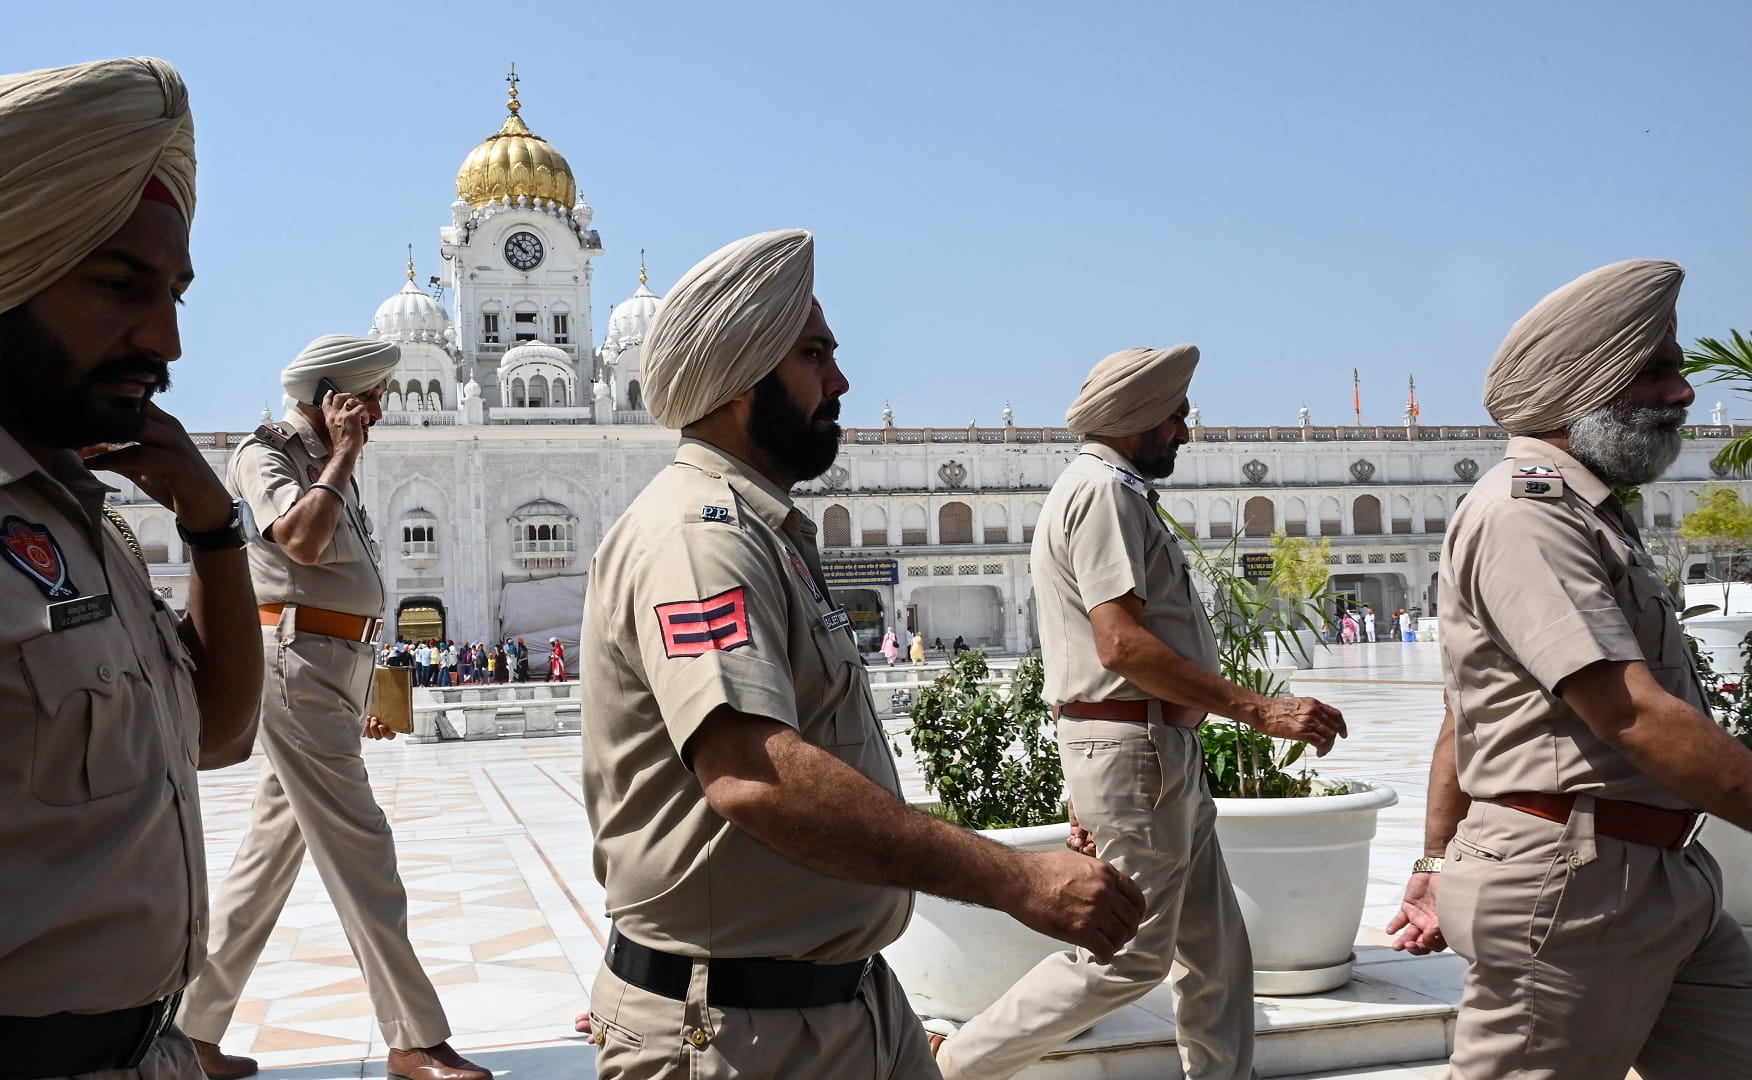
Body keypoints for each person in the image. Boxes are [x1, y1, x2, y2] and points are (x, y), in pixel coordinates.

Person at [580, 229, 1144, 1080]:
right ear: (740, 379)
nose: (839, 381)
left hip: (843, 1007)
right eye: (814, 356)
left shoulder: (761, 532)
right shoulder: (698, 539)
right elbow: (755, 776)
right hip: (738, 1032)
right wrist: (1019, 881)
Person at [0, 57, 265, 1080]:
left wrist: (211, 525)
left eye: (173, 294)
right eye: (119, 287)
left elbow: (221, 733)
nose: (163, 337)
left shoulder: (70, 513)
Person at [930, 345, 1346, 1080]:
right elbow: (1119, 644)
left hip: (1156, 751)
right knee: (1128, 953)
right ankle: (950, 1064)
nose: (1185, 432)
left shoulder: (1114, 490)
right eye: (1176, 416)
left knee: (1214, 948)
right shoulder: (1103, 493)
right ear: (1137, 419)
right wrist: (1260, 711)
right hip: (1137, 750)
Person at [1386, 259, 1752, 1078]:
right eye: (1656, 372)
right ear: (1586, 383)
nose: (1683, 393)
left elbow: (1465, 712)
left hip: (1656, 876)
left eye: (1679, 369)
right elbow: (1632, 714)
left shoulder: (1588, 513)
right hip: (1576, 891)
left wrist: (1434, 863)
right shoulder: (1527, 513)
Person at [178, 334, 489, 1080]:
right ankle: (413, 1036)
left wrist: (377, 687)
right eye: (368, 399)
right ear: (330, 397)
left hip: (330, 667)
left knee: (264, 862)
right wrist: (344, 457)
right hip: (294, 666)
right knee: (362, 849)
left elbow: (356, 595)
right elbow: (302, 545)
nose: (379, 412)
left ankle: (188, 1033)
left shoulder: (324, 465)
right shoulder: (270, 454)